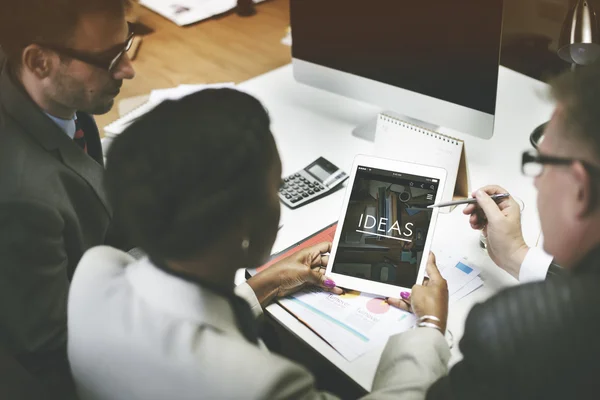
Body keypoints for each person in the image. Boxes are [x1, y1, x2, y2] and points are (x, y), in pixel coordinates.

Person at [67, 88, 451, 400]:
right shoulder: (261, 385)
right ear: (243, 224)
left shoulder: (95, 272)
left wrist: (267, 283)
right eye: (275, 186)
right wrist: (430, 328)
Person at [387, 63, 600, 399]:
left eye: (541, 163)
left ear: (581, 191)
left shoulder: (508, 335)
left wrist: (429, 328)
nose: (535, 181)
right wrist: (516, 254)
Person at [0, 0, 135, 396]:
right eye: (109, 58)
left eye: (126, 44)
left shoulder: (45, 95)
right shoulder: (23, 199)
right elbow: (53, 345)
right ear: (40, 62)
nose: (128, 69)